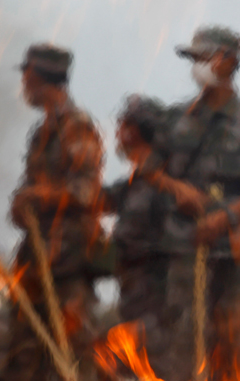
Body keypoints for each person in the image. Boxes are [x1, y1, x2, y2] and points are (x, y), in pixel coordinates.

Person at [134, 25, 240, 380]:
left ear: (228, 62)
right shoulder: (177, 119)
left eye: (203, 57)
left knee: (236, 341)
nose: (196, 66)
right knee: (184, 340)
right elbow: (148, 167)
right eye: (193, 59)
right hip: (185, 247)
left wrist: (226, 217)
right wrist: (175, 188)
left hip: (235, 251)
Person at [0, 43, 107, 380]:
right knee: (23, 355)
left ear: (41, 77)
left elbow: (88, 191)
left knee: (67, 356)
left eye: (26, 75)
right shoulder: (40, 134)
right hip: (36, 259)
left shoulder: (77, 126)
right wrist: (22, 205)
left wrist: (38, 195)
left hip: (68, 264)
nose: (23, 84)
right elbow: (35, 194)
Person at [101, 95, 174, 378]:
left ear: (134, 131)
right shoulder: (137, 182)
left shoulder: (163, 184)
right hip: (136, 305)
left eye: (121, 126)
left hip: (158, 314)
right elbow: (100, 200)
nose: (116, 134)